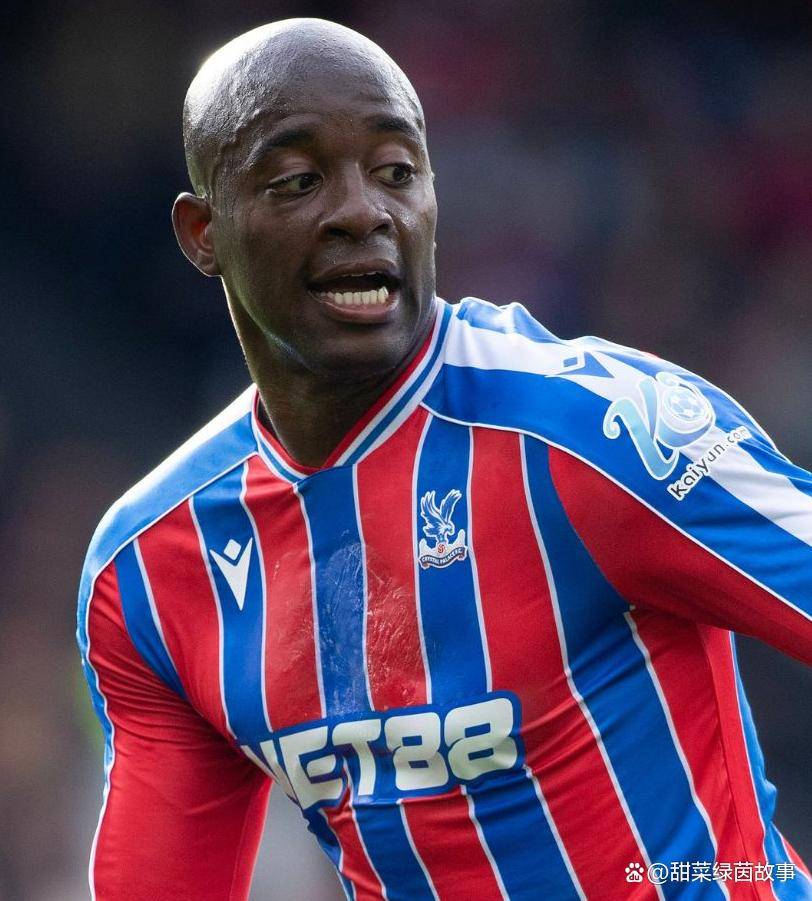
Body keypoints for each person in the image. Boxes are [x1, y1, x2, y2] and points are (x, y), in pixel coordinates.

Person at [77, 18, 812, 901]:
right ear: (204, 232)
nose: (364, 211)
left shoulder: (603, 432)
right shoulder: (154, 568)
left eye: (396, 171)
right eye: (299, 179)